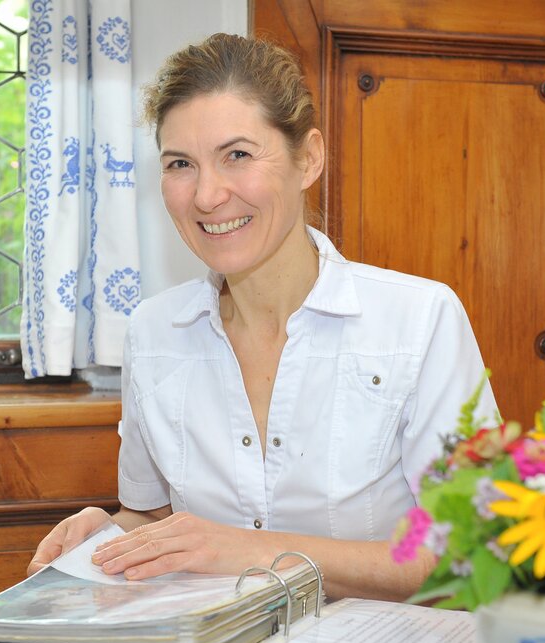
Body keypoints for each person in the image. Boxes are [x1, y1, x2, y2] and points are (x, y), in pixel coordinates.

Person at [27, 33, 497, 602]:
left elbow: (471, 553)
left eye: (238, 155)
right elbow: (149, 517)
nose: (207, 195)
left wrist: (253, 551)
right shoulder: (153, 333)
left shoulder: (420, 321)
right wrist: (104, 536)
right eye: (181, 163)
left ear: (309, 159)